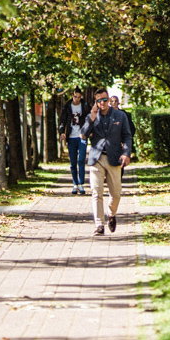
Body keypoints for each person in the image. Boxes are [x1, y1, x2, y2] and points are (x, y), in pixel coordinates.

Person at [81, 88, 131, 236]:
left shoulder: (120, 116)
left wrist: (126, 154)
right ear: (95, 102)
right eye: (99, 100)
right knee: (96, 193)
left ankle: (111, 214)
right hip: (96, 158)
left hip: (114, 158)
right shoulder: (91, 116)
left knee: (115, 194)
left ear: (108, 100)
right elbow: (83, 135)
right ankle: (99, 225)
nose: (102, 103)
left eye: (104, 99)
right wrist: (91, 118)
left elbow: (127, 136)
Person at [59, 89, 91, 195]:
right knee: (73, 162)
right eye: (75, 97)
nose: (77, 99)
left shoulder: (85, 105)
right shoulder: (67, 106)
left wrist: (88, 131)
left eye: (79, 97)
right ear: (72, 96)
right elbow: (62, 120)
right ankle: (75, 184)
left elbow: (89, 118)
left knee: (81, 160)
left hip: (82, 136)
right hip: (71, 137)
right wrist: (62, 132)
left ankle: (81, 184)